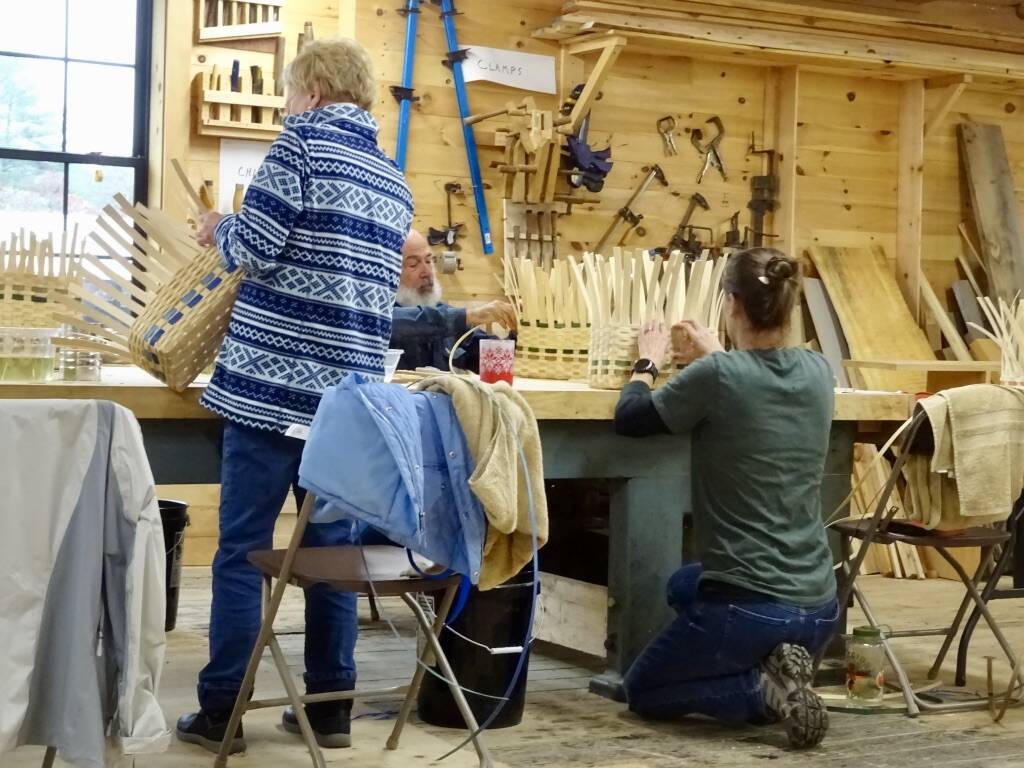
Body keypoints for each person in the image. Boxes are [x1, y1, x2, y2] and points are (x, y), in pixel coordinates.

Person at [176, 38, 413, 754]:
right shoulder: (393, 179)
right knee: (330, 553)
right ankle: (332, 709)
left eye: (289, 92)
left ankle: (222, 711)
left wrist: (221, 228)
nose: (285, 104)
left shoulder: (298, 148)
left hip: (271, 392)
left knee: (243, 551)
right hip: (349, 409)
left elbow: (256, 249)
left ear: (310, 88)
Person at [613, 248, 839, 749]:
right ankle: (775, 660)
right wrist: (720, 353)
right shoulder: (818, 370)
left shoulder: (718, 377)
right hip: (819, 605)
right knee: (683, 586)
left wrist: (645, 362)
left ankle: (761, 691)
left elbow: (630, 420)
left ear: (731, 304)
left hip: (751, 607)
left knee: (643, 690)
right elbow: (754, 382)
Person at [390, 228, 517, 372]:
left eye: (428, 260)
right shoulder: (380, 319)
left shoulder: (445, 313)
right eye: (413, 264)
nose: (427, 272)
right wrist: (471, 315)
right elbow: (410, 322)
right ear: (390, 273)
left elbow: (494, 361)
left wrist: (522, 332)